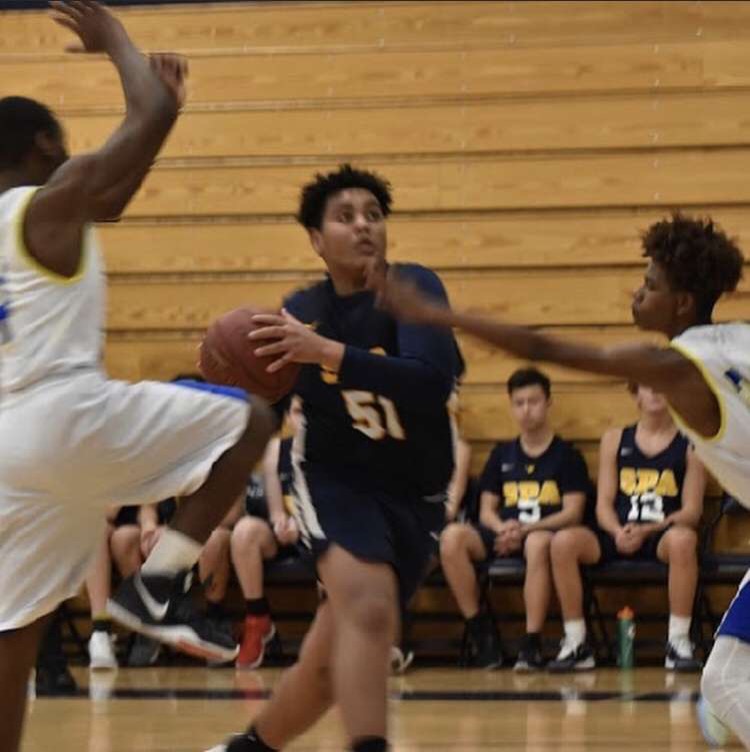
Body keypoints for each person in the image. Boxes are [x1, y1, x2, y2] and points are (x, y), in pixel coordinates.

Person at [0, 5, 276, 752]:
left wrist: (164, 121)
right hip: (65, 412)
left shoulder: (35, 221)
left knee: (15, 639)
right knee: (252, 419)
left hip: (10, 448)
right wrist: (116, 41)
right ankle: (158, 587)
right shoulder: (47, 204)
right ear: (45, 145)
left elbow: (115, 199)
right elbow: (143, 110)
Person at [369, 212, 750, 747]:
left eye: (650, 286)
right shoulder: (741, 339)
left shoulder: (674, 365)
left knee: (728, 680)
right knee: (728, 677)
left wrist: (435, 315)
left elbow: (543, 348)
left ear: (683, 303)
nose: (637, 294)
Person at [206, 164, 463, 752]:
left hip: (416, 494)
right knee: (370, 613)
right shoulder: (299, 309)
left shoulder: (413, 287)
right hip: (336, 480)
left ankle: (247, 750)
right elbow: (265, 410)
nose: (364, 226)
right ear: (317, 240)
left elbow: (431, 382)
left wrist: (327, 353)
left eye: (374, 214)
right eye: (345, 217)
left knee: (332, 661)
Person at [548, 383, 705, 672]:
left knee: (684, 539)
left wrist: (648, 530)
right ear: (635, 394)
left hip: (661, 536)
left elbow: (691, 512)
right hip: (617, 532)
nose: (656, 391)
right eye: (647, 383)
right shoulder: (615, 438)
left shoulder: (691, 442)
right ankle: (576, 642)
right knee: (562, 542)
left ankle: (678, 641)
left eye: (660, 382)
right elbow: (604, 505)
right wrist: (617, 531)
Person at [440, 367, 590, 671]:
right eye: (519, 403)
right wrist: (501, 528)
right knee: (452, 538)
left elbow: (573, 512)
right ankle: (481, 632)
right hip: (503, 533)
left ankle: (531, 641)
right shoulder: (501, 454)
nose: (526, 410)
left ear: (548, 403)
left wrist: (525, 530)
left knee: (536, 543)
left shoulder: (567, 455)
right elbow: (486, 511)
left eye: (533, 401)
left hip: (542, 534)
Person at [232, 398, 302, 670]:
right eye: (297, 412)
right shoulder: (276, 449)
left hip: (318, 533)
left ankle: (329, 630)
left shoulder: (330, 450)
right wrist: (280, 523)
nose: (302, 419)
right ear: (287, 419)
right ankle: (257, 618)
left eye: (308, 412)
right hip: (286, 535)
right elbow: (276, 510)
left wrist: (303, 527)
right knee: (244, 531)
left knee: (331, 543)